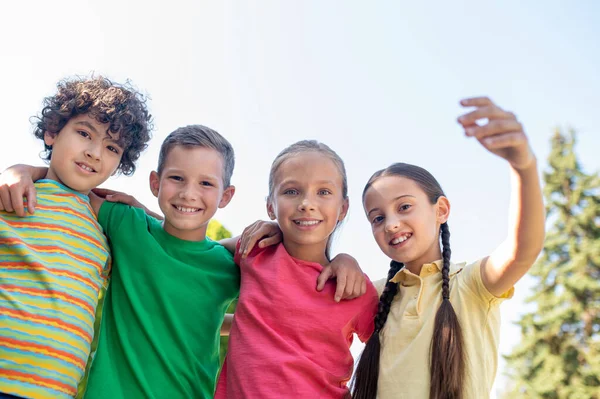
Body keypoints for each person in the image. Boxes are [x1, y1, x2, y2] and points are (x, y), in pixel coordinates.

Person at [1, 128, 367, 399]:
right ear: (156, 182)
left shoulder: (233, 260)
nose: (189, 193)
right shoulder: (126, 224)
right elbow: (70, 186)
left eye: (206, 183)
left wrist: (345, 258)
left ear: (226, 196)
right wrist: (20, 170)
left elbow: (283, 299)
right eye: (177, 179)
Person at [351, 97, 545, 399]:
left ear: (441, 210)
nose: (390, 224)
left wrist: (523, 166)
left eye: (404, 207)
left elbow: (523, 249)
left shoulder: (471, 284)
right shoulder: (372, 296)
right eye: (377, 218)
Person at [0, 76, 152, 399]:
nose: (95, 153)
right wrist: (18, 171)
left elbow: (175, 247)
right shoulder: (14, 193)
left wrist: (143, 212)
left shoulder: (108, 232)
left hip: (55, 392)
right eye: (84, 133)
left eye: (112, 148)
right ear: (52, 132)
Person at [214, 140, 379, 398]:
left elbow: (390, 353)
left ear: (343, 209)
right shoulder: (254, 251)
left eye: (323, 192)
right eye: (291, 191)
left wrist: (347, 258)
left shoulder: (354, 288)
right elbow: (193, 250)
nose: (306, 203)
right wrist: (145, 215)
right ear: (271, 206)